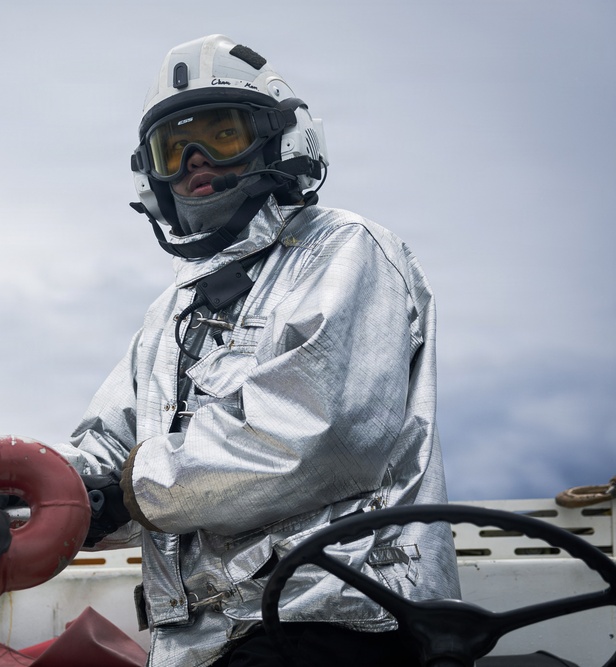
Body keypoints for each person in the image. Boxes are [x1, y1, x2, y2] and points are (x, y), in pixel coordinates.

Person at [50, 34, 461, 667]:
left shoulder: (345, 251)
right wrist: (26, 493)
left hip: (343, 616)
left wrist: (133, 490)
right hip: (203, 645)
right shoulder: (168, 316)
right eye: (173, 150)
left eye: (222, 136)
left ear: (279, 139)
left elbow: (318, 436)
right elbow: (109, 451)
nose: (195, 162)